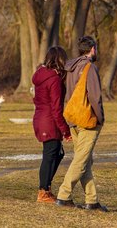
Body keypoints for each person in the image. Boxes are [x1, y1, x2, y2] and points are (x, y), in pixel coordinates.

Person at [55, 36, 108, 212]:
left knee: (85, 159)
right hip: (87, 120)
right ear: (92, 49)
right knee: (81, 160)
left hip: (72, 119)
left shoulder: (70, 67)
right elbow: (95, 96)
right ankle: (64, 194)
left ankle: (91, 200)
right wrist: (100, 117)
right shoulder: (89, 67)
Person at [32, 46, 71, 203]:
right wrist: (65, 130)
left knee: (58, 153)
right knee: (49, 155)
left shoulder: (41, 75)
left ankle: (46, 188)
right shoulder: (54, 79)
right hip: (49, 120)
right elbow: (56, 108)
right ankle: (43, 191)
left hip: (41, 118)